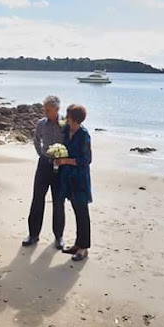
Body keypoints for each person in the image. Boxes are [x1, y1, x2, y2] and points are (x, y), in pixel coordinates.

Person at [22, 95, 66, 250]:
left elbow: (70, 141)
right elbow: (35, 139)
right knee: (37, 199)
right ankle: (33, 234)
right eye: (44, 109)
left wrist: (64, 159)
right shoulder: (41, 123)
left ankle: (59, 236)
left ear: (57, 109)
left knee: (58, 202)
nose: (45, 112)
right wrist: (41, 154)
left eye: (48, 110)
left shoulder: (65, 124)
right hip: (44, 165)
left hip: (61, 167)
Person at [56, 104, 92, 262]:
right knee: (76, 211)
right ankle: (78, 244)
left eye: (68, 116)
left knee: (82, 213)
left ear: (76, 119)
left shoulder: (84, 135)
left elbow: (87, 160)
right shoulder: (66, 130)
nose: (66, 117)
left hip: (80, 179)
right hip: (67, 178)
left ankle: (84, 248)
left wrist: (65, 160)